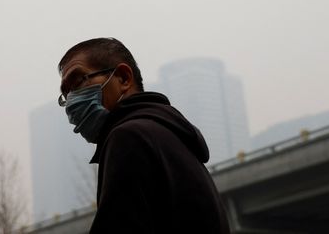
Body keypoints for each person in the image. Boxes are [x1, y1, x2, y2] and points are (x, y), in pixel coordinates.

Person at [58, 37, 230, 233]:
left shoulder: (129, 137)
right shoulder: (168, 135)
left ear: (123, 78)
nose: (72, 100)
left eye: (79, 80)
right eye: (66, 94)